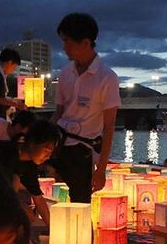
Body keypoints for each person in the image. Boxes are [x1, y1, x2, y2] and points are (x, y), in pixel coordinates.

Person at [50, 12, 119, 202]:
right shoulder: (65, 73)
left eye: (68, 42)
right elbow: (59, 113)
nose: (64, 47)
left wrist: (101, 170)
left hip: (83, 151)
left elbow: (109, 126)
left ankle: (82, 233)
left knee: (81, 203)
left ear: (86, 43)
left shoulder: (106, 77)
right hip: (59, 144)